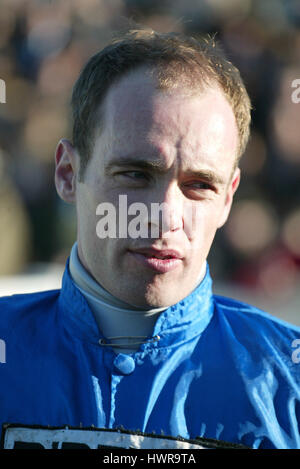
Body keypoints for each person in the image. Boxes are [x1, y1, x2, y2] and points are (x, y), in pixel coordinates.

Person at [0, 29, 299, 450]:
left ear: (228, 198)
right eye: (136, 174)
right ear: (68, 173)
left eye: (199, 185)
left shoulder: (289, 383)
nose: (164, 217)